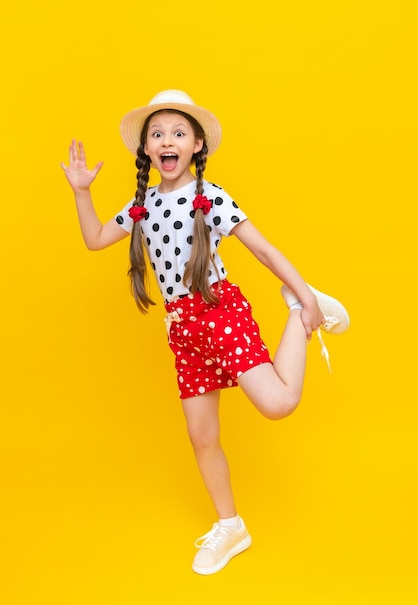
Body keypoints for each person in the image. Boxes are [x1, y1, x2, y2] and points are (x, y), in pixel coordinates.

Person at [61, 89, 349, 576]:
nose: (166, 141)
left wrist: (298, 287)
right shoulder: (141, 207)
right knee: (202, 436)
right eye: (157, 134)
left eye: (178, 133)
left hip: (219, 312)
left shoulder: (209, 197)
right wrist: (82, 192)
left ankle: (301, 306)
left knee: (278, 404)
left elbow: (262, 249)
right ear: (147, 150)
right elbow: (93, 241)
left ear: (196, 146)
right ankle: (230, 525)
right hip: (182, 329)